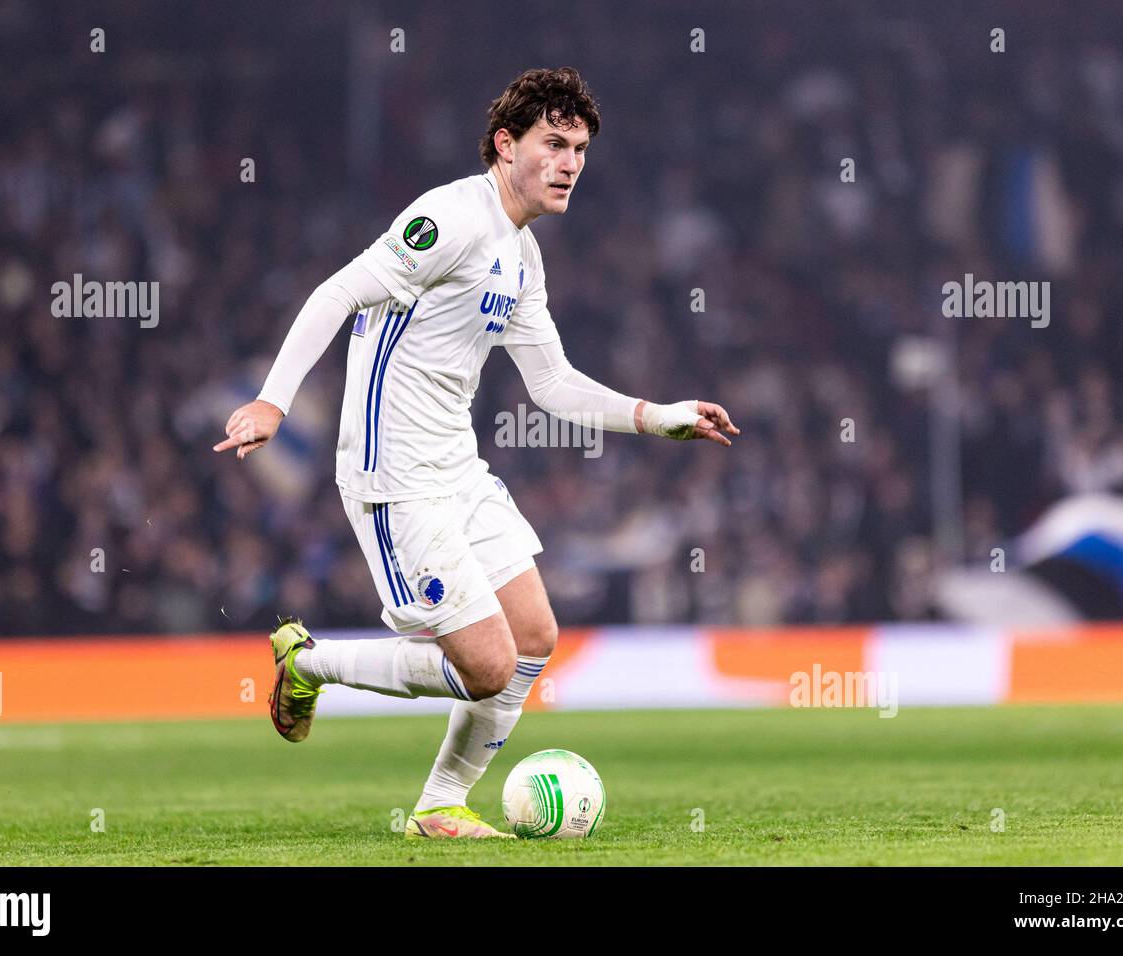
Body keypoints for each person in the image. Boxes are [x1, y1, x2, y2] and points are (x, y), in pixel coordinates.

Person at [213, 67, 738, 838]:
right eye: (554, 144)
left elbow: (553, 385)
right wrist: (273, 400)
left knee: (535, 637)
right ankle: (306, 664)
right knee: (486, 665)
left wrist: (662, 417)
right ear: (505, 144)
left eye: (581, 149)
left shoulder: (523, 257)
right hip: (394, 476)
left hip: (456, 469)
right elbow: (337, 292)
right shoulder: (450, 217)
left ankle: (436, 809)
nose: (570, 164)